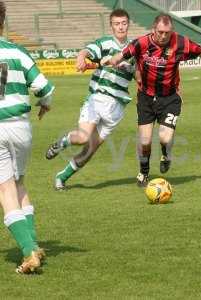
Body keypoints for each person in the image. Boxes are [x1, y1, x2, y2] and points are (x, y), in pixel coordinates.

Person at [102, 13, 201, 186]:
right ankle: (143, 173)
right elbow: (119, 57)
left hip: (170, 98)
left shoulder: (181, 42)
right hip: (145, 98)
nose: (163, 36)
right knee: (144, 141)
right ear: (154, 29)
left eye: (167, 32)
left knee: (165, 139)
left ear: (171, 31)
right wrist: (109, 61)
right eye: (160, 32)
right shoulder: (141, 43)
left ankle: (166, 155)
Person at [45, 9, 137, 190]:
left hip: (117, 107)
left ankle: (61, 178)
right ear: (111, 26)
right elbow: (86, 50)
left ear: (128, 24)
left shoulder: (134, 49)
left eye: (124, 23)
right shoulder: (105, 42)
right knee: (83, 137)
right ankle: (62, 143)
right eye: (117, 24)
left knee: (90, 150)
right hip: (98, 99)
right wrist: (81, 58)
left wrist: (131, 70)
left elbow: (139, 78)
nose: (121, 27)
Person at [0, 1, 54, 273]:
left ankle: (28, 252)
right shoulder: (17, 51)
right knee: (19, 184)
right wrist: (45, 103)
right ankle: (34, 245)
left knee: (5, 189)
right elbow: (44, 87)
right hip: (21, 126)